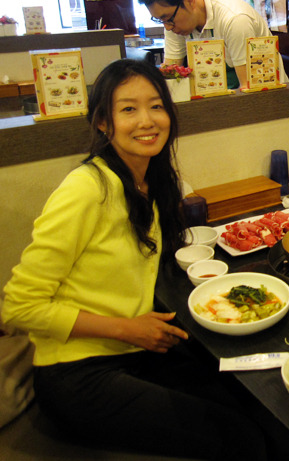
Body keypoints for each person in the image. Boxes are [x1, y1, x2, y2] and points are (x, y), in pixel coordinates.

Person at [1, 59, 267, 460]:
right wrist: (128, 329)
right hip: (78, 373)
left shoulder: (148, 180)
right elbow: (18, 306)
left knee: (253, 400)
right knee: (242, 439)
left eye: (156, 105)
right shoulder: (86, 189)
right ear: (103, 123)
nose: (147, 120)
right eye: (128, 109)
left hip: (134, 355)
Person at [136, 0, 288, 89]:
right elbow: (170, 75)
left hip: (266, 100)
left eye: (167, 19)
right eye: (160, 20)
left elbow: (249, 90)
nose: (167, 28)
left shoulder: (235, 20)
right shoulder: (174, 22)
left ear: (189, 0)